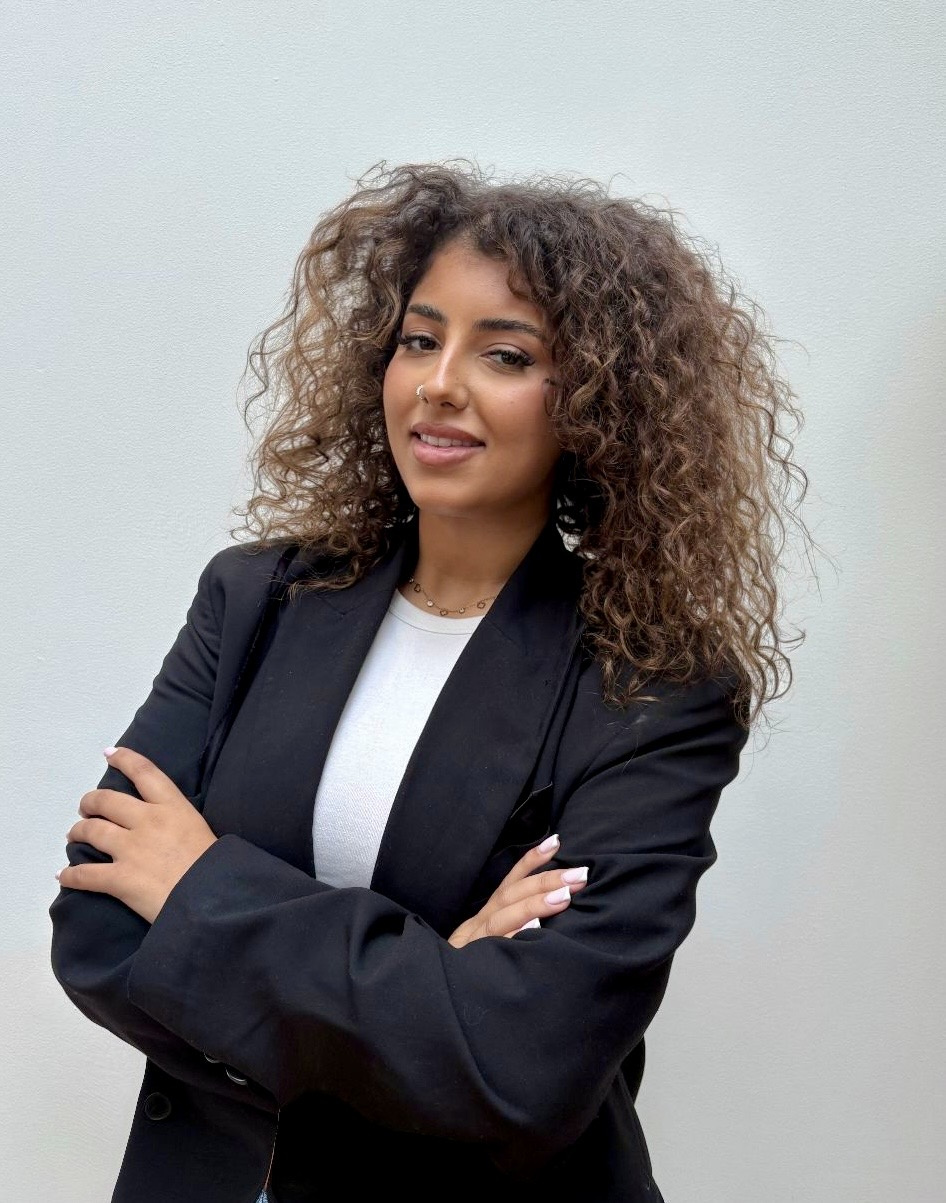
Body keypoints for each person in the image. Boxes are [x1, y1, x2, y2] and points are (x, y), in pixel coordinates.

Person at [49, 161, 810, 1202]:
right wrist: (438, 975)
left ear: (598, 402)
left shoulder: (651, 691)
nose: (438, 383)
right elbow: (96, 934)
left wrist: (198, 891)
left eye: (505, 354)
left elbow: (524, 1064)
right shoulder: (255, 600)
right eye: (419, 339)